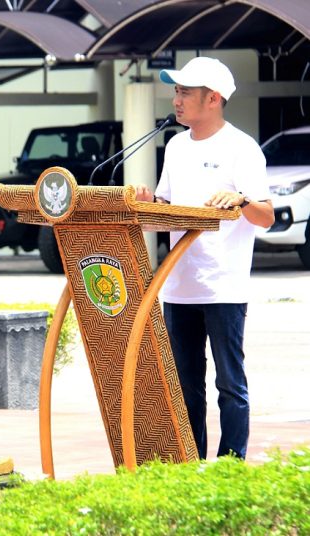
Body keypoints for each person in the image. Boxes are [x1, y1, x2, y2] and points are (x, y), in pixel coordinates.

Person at [135, 56, 275, 460]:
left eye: (184, 92)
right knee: (185, 384)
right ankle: (190, 463)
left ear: (212, 99)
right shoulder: (176, 146)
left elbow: (264, 215)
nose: (175, 100)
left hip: (223, 287)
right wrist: (148, 206)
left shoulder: (241, 148)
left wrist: (242, 198)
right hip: (179, 287)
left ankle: (230, 466)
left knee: (229, 384)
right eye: (175, 91)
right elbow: (166, 207)